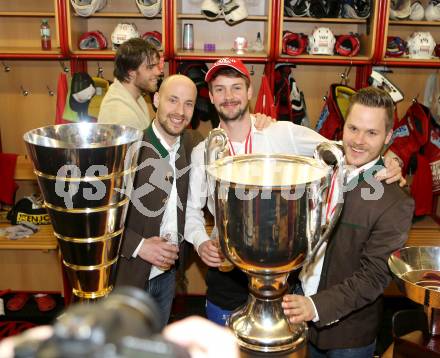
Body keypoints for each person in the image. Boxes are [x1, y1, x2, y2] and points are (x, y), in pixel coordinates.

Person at [184, 57, 404, 326]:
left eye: (236, 87)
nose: (229, 96)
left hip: (281, 271)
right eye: (220, 89)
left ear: (249, 91)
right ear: (212, 97)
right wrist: (200, 241)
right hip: (227, 271)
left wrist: (392, 159)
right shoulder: (202, 152)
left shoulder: (280, 133)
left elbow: (344, 149)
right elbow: (192, 209)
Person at [281, 87, 415, 358]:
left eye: (372, 133)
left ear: (388, 137)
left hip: (348, 336)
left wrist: (315, 306)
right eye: (353, 128)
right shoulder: (322, 168)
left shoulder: (395, 200)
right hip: (302, 317)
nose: (359, 141)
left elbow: (374, 276)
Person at [114, 74, 198, 329]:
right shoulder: (128, 148)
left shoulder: (193, 146)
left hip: (168, 276)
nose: (180, 111)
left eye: (188, 104)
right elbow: (93, 217)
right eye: (173, 100)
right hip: (128, 277)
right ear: (156, 99)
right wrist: (139, 246)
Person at [98, 37, 163, 130]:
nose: (158, 72)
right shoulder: (121, 116)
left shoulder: (134, 95)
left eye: (157, 65)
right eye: (150, 67)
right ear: (131, 72)